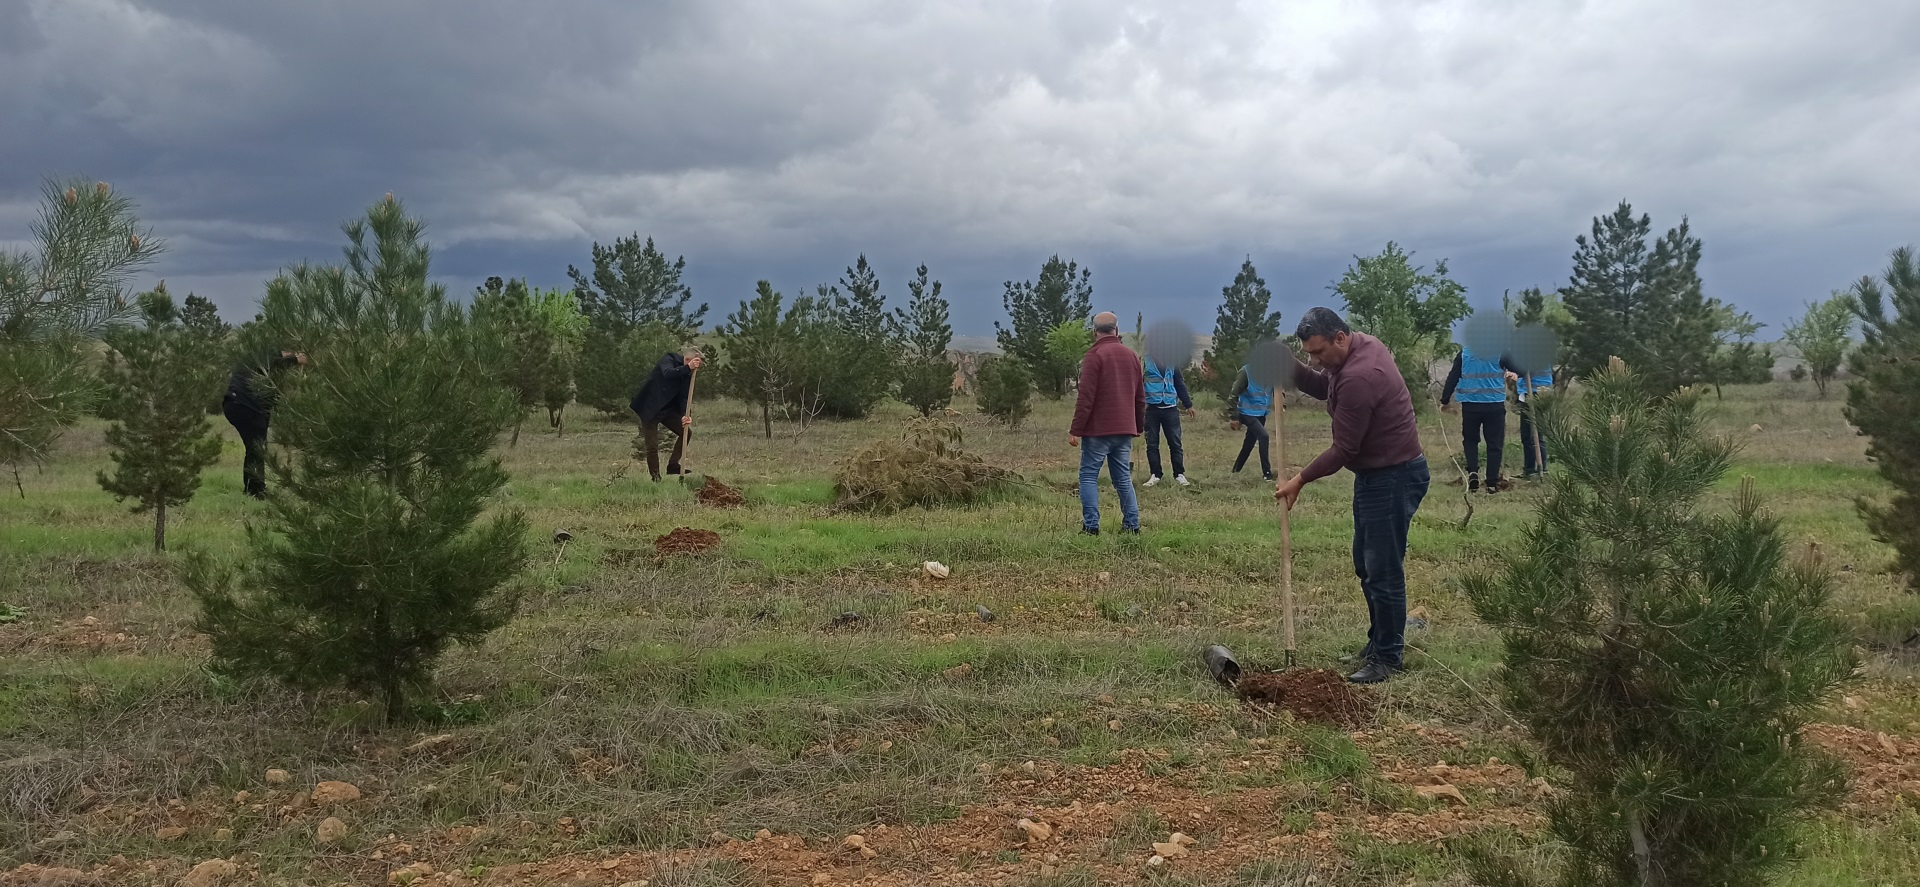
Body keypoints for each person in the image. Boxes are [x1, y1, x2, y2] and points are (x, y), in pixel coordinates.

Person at [1273, 308, 1428, 684]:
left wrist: (1299, 479)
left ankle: (1387, 658)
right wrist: (1289, 367)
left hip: (1392, 477)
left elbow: (1344, 449)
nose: (1316, 360)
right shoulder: (1361, 348)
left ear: (1340, 338)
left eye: (1319, 352)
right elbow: (1327, 386)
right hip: (1380, 475)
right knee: (1367, 564)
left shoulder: (1360, 377)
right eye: (1309, 354)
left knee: (1382, 570)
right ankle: (1379, 642)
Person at [1068, 312, 1145, 535]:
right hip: (1124, 429)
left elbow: (1086, 397)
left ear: (1094, 332)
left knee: (1088, 475)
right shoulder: (1131, 356)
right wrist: (1138, 426)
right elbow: (1140, 397)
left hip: (1098, 431)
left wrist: (1076, 429)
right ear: (1117, 330)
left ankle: (1091, 527)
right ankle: (1132, 525)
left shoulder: (1095, 355)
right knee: (1122, 477)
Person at [222, 349, 306, 499]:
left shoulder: (268, 363)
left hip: (245, 406)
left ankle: (252, 488)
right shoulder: (263, 353)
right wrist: (295, 359)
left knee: (255, 448)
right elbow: (274, 362)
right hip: (242, 405)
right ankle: (257, 491)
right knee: (257, 448)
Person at [1439, 344, 1523, 494]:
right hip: (1494, 405)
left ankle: (1473, 472)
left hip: (1470, 405)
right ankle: (1491, 483)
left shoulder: (1464, 354)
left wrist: (1445, 400)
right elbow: (1521, 369)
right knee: (1494, 444)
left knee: (1470, 440)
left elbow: (1453, 377)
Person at [630, 349, 704, 481]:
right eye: (695, 363)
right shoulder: (669, 359)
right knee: (652, 446)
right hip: (650, 407)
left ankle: (673, 465)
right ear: (688, 359)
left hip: (667, 409)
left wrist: (685, 415)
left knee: (686, 432)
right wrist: (687, 368)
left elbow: (684, 397)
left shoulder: (688, 374)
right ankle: (656, 477)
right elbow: (667, 374)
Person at [1140, 352, 1195, 487]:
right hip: (1151, 408)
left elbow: (1179, 383)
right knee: (1152, 443)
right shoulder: (1145, 362)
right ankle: (1155, 474)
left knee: (1175, 443)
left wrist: (1188, 405)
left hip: (1170, 408)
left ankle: (1179, 474)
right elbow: (1137, 383)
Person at [1227, 365, 1274, 480]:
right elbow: (1233, 394)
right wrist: (1233, 417)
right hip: (1246, 412)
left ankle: (1235, 471)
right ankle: (1267, 474)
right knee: (1264, 437)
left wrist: (1281, 399)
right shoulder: (1246, 372)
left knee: (1249, 443)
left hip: (1261, 413)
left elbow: (1277, 389)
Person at [1516, 367, 1552, 478]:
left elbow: (1525, 370)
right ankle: (1537, 468)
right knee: (1536, 433)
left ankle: (1532, 469)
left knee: (1530, 435)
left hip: (1532, 392)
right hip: (1540, 391)